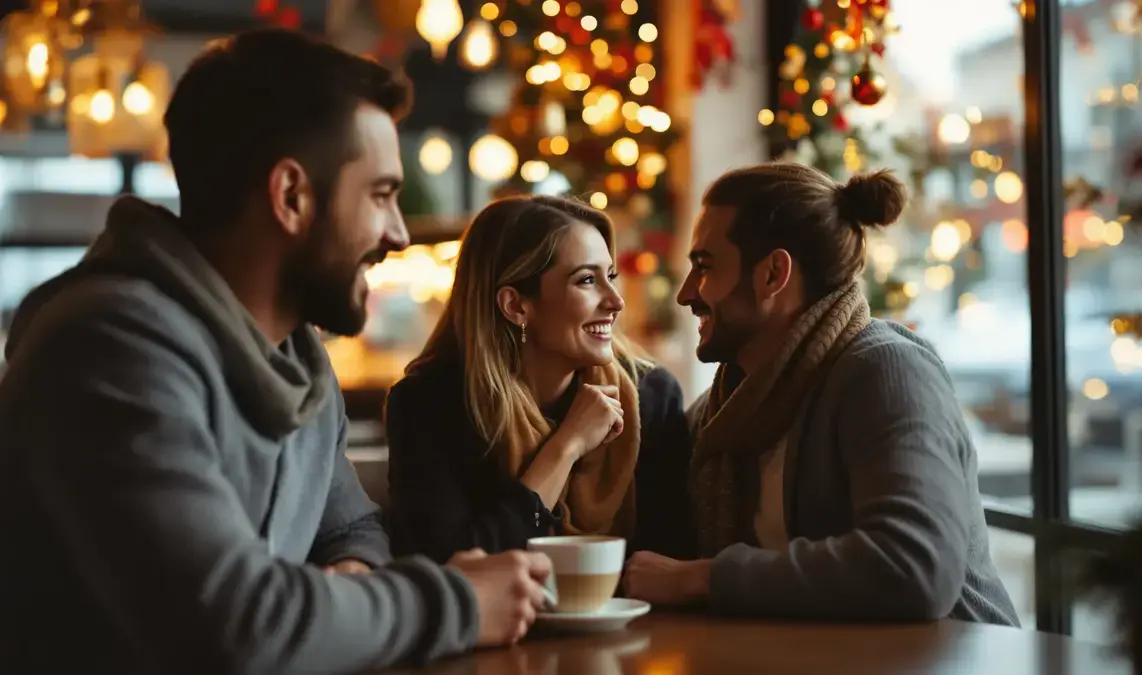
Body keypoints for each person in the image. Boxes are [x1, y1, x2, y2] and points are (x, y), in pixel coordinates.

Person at [0, 29, 551, 675]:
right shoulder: (106, 349)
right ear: (291, 196)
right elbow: (232, 624)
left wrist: (345, 594)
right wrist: (456, 602)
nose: (399, 232)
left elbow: (352, 531)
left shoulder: (295, 362)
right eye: (380, 195)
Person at [621, 162, 1020, 626]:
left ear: (773, 275)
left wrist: (702, 579)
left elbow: (914, 566)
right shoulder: (731, 406)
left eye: (704, 267)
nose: (687, 293)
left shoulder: (886, 371)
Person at [386, 195, 695, 564]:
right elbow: (456, 566)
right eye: (586, 280)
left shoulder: (650, 396)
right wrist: (565, 446)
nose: (615, 301)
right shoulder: (430, 406)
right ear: (516, 306)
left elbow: (668, 556)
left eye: (610, 276)